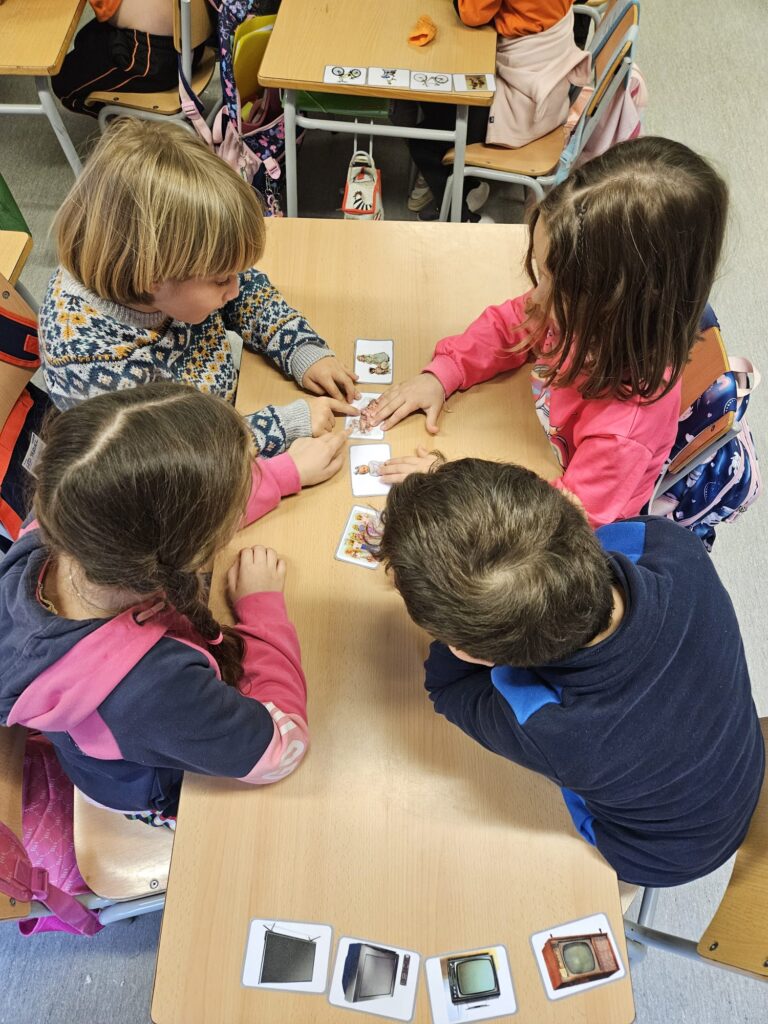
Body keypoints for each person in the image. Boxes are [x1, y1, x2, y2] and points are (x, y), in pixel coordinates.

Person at [377, 458, 765, 887]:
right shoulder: (670, 543)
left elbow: (447, 685)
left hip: (658, 854)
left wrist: (456, 639)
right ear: (573, 510)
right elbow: (546, 554)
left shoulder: (552, 728)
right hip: (740, 765)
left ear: (473, 654)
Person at [0, 383, 346, 826]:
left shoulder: (68, 514)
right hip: (155, 783)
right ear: (190, 549)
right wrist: (262, 609)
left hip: (129, 725)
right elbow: (282, 749)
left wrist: (281, 474)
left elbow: (150, 510)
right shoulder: (153, 689)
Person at [373, 137, 729, 527]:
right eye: (542, 273)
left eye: (554, 283)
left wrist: (456, 489)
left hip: (559, 518)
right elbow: (512, 323)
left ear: (621, 303)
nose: (536, 296)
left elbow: (561, 521)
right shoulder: (585, 313)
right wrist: (444, 373)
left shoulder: (624, 431)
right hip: (536, 457)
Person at [39, 118, 359, 459]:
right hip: (195, 459)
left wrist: (300, 349)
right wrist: (282, 426)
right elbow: (175, 459)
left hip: (221, 407)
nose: (235, 288)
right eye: (222, 280)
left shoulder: (172, 269)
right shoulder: (89, 360)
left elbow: (247, 293)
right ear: (154, 276)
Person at [409, 1, 586, 221]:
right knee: (433, 102)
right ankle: (466, 186)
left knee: (422, 139)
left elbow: (472, 15)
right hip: (551, 84)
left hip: (524, 109)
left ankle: (463, 218)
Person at [51, 1, 206, 118]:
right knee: (84, 38)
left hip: (153, 58)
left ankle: (131, 131)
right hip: (192, 40)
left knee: (62, 83)